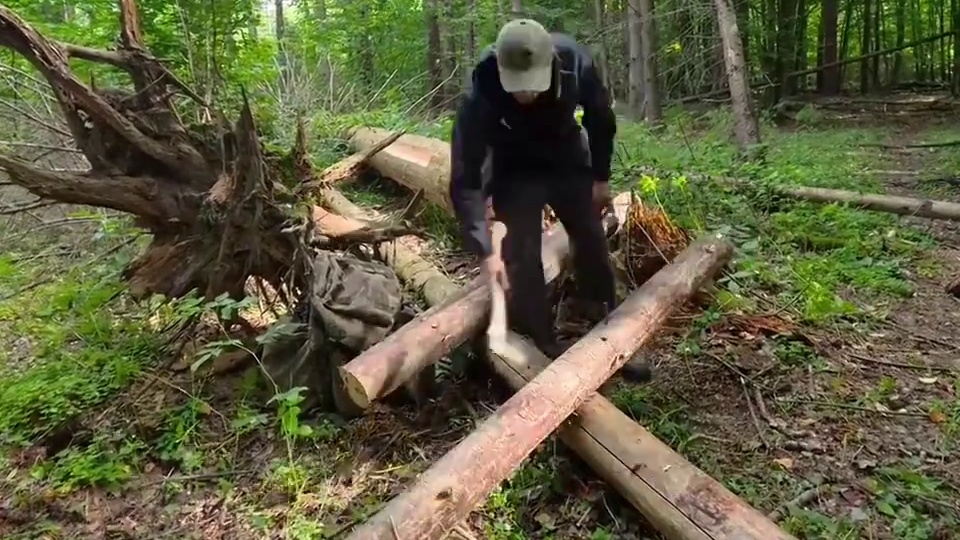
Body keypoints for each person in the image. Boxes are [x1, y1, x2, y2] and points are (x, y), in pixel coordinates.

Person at [449, 19, 627, 364]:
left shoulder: (575, 61)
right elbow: (466, 172)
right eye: (516, 86)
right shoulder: (482, 86)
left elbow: (600, 118)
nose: (525, 94)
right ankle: (540, 339)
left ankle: (599, 312)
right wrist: (483, 248)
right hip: (514, 166)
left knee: (590, 234)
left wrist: (601, 178)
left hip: (565, 153)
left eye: (532, 85)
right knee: (521, 253)